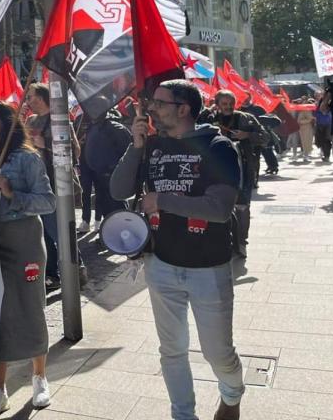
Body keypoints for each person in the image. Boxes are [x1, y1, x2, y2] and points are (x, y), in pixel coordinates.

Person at [110, 80, 244, 420]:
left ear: (183, 109)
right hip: (162, 264)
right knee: (171, 350)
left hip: (208, 268)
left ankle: (231, 395)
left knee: (218, 353)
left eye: (159, 102)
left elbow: (219, 209)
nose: (151, 108)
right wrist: (136, 147)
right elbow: (118, 189)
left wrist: (162, 201)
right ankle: (183, 415)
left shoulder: (219, 147)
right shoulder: (151, 145)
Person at [0, 103, 56, 417]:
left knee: (30, 305)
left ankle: (39, 377)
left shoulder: (28, 157)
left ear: (6, 122)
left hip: (23, 241)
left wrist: (12, 194)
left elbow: (47, 201)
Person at [24, 83, 83, 289]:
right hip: (35, 184)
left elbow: (74, 151)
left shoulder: (59, 120)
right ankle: (53, 275)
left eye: (30, 97)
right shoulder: (30, 121)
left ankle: (77, 270)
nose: (28, 101)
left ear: (40, 98)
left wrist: (45, 145)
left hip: (56, 184)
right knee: (45, 233)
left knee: (58, 231)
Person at [207, 90, 267, 259]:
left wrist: (247, 135)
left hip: (244, 169)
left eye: (231, 104)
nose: (228, 107)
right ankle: (223, 241)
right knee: (217, 205)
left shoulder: (246, 118)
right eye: (224, 104)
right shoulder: (210, 119)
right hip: (216, 170)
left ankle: (241, 243)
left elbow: (265, 137)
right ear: (217, 104)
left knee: (242, 206)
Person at [82, 109, 130, 225]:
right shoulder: (94, 127)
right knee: (106, 208)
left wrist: (114, 168)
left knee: (117, 208)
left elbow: (128, 151)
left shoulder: (115, 128)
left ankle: (123, 234)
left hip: (112, 176)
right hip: (99, 175)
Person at [314, 92, 332, 163]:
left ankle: (327, 156)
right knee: (322, 140)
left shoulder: (329, 103)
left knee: (326, 141)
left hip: (327, 124)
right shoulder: (318, 103)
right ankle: (326, 155)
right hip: (321, 124)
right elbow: (315, 113)